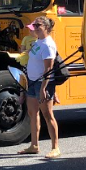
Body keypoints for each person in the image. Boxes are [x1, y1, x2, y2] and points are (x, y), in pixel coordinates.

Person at [18, 16, 60, 159]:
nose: (34, 28)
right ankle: (34, 145)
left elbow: (48, 70)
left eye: (37, 25)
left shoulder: (48, 45)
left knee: (48, 115)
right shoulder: (38, 42)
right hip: (32, 81)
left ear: (47, 28)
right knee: (32, 113)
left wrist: (43, 89)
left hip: (42, 83)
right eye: (34, 25)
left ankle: (55, 148)